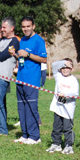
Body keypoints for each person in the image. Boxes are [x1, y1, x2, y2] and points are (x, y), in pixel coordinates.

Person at [13, 17, 47, 145]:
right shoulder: (22, 40)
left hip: (31, 80)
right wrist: (16, 55)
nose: (25, 29)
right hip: (20, 78)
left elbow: (44, 59)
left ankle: (35, 136)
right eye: (23, 26)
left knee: (31, 107)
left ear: (33, 26)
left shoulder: (38, 40)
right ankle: (25, 134)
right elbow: (22, 57)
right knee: (22, 108)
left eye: (28, 26)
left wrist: (28, 55)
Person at [46, 59, 79, 154]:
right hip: (58, 108)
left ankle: (69, 145)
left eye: (68, 67)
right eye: (63, 68)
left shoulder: (73, 80)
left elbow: (75, 93)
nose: (65, 70)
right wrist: (63, 63)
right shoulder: (58, 76)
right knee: (56, 127)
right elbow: (53, 65)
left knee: (67, 128)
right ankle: (56, 144)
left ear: (72, 69)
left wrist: (66, 95)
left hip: (68, 109)